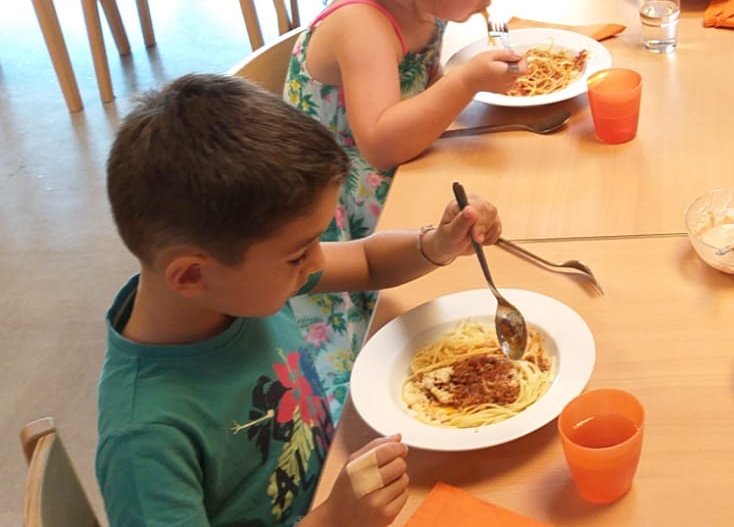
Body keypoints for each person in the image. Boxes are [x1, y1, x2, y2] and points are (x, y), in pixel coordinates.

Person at [97, 74, 505, 525]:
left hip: (337, 470)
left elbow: (367, 262)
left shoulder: (234, 288)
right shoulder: (145, 442)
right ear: (192, 274)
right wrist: (334, 518)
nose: (314, 263)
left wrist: (438, 245)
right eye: (298, 254)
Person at [284, 0, 525, 420]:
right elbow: (380, 144)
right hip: (338, 214)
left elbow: (419, 96)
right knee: (403, 364)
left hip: (399, 184)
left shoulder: (425, 2)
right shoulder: (362, 22)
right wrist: (467, 83)